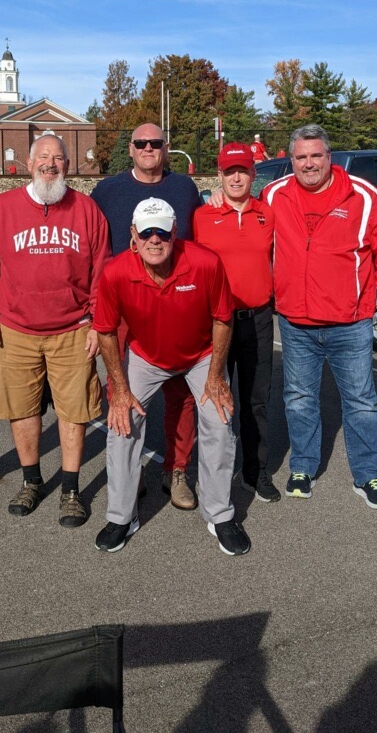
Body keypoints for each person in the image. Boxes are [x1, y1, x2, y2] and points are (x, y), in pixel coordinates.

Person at [92, 198, 250, 556]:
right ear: (133, 235)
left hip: (200, 355)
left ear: (174, 231)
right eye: (145, 231)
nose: (154, 238)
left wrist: (215, 377)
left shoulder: (205, 263)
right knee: (122, 422)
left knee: (220, 418)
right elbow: (104, 330)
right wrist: (118, 388)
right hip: (146, 356)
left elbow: (222, 319)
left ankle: (219, 514)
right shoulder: (116, 272)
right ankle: (121, 517)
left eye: (161, 230)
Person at [262, 123, 377, 508]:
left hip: (351, 321)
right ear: (290, 159)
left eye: (316, 156)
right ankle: (303, 467)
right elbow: (246, 226)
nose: (309, 164)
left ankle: (368, 475)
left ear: (330, 157)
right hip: (295, 321)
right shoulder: (274, 195)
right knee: (299, 397)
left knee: (360, 401)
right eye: (301, 157)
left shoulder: (364, 197)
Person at [0, 135, 110, 528]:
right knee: (22, 409)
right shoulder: (3, 209)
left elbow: (102, 272)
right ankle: (31, 481)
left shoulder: (86, 210)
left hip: (73, 328)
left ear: (68, 166)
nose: (50, 165)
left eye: (58, 159)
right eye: (44, 158)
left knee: (75, 411)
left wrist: (97, 323)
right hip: (16, 329)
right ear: (28, 162)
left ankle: (71, 490)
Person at [91, 122, 201, 510]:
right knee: (123, 392)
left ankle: (176, 470)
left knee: (182, 394)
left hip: (176, 301)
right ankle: (128, 472)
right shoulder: (108, 191)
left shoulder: (184, 189)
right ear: (132, 149)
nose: (148, 148)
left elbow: (198, 241)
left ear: (165, 148)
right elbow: (92, 245)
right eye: (141, 143)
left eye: (156, 143)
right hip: (124, 305)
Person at [193, 143, 279, 503]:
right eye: (230, 171)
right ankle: (213, 476)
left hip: (257, 318)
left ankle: (255, 472)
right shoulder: (202, 216)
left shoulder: (267, 214)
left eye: (243, 170)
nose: (237, 177)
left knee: (256, 400)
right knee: (215, 400)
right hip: (216, 322)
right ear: (220, 175)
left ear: (253, 173)